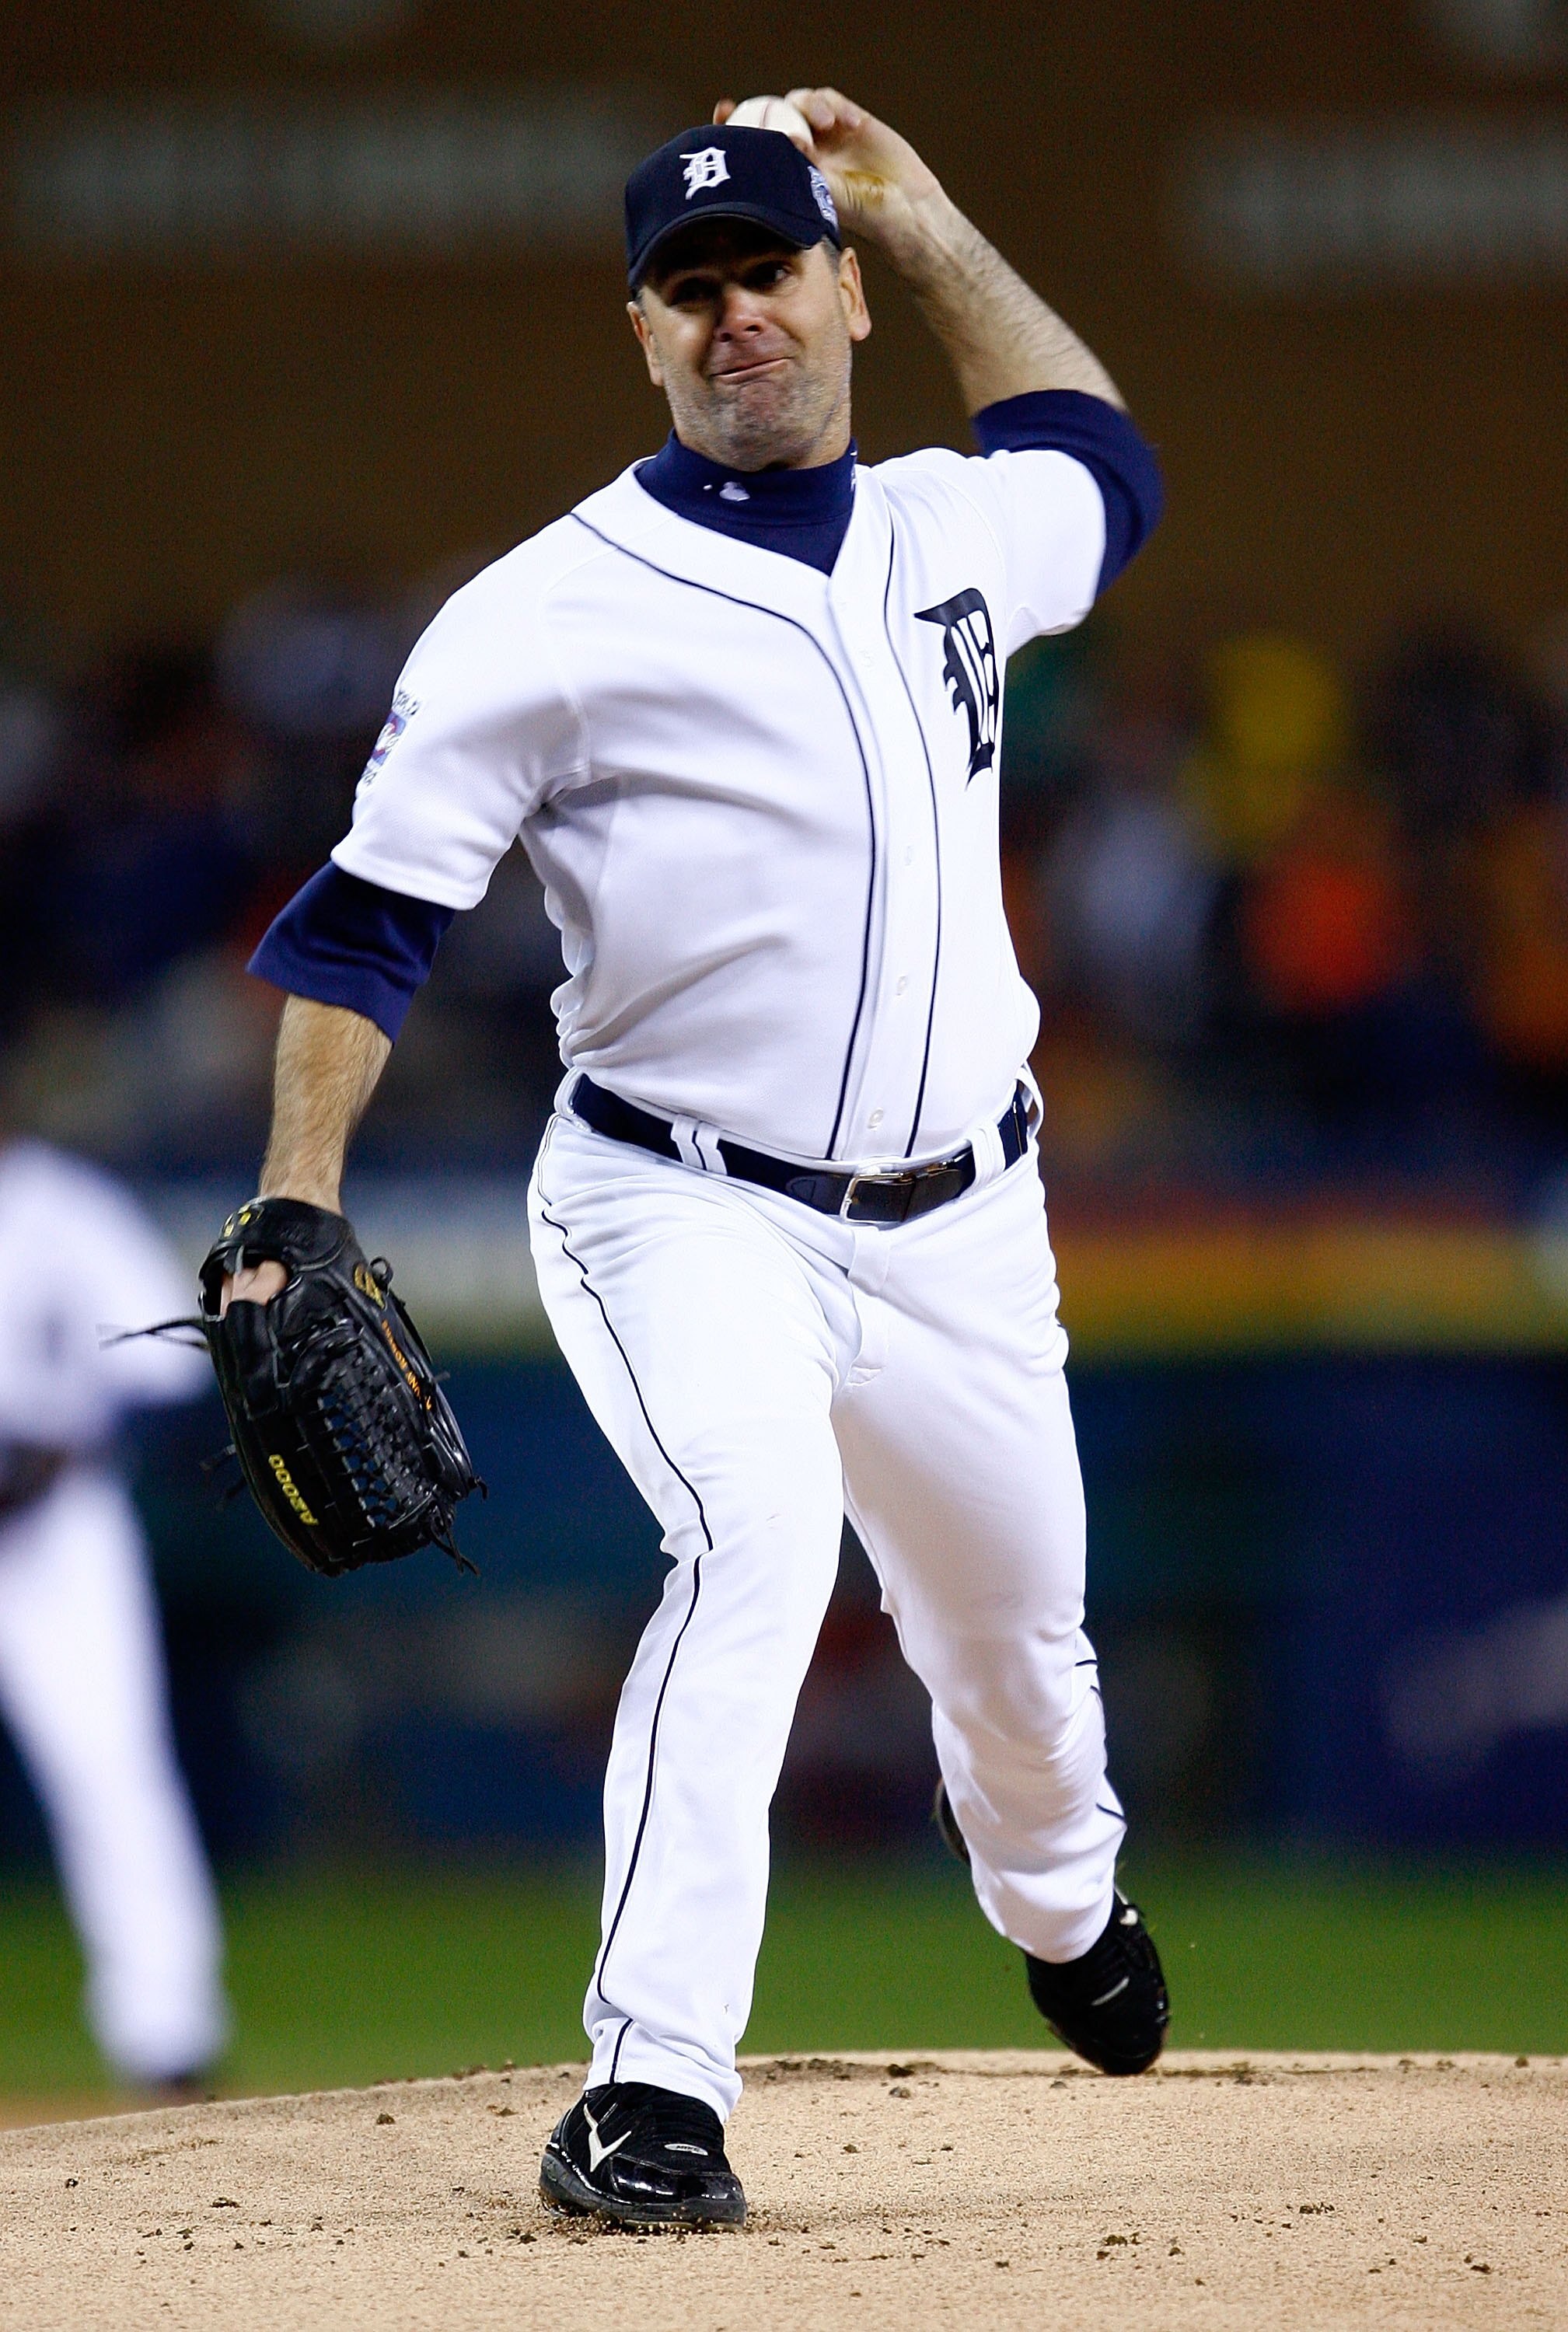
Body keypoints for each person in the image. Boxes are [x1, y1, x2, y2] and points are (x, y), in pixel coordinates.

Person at [237, 90, 1168, 2226]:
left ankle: (1065, 1907)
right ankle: (652, 2093)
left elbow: (1108, 469)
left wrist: (932, 220)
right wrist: (303, 1193)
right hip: (679, 1200)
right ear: (644, 335)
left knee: (1023, 1670)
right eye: (692, 290)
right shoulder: (543, 613)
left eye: (770, 270)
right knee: (751, 1544)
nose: (738, 314)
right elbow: (366, 929)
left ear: (838, 294)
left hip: (966, 1222)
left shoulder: (956, 526)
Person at [0, 1122, 227, 2091]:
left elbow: (170, 1366)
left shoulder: (64, 1206)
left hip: (53, 1527)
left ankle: (165, 2038)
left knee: (112, 1771)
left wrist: (62, 1445)